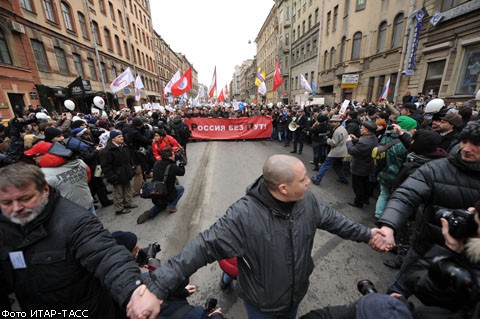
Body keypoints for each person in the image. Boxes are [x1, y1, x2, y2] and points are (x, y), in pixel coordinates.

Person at [126, 154, 387, 319]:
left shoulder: (308, 201)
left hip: (295, 296)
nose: (309, 182)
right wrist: (157, 289)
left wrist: (368, 234)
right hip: (262, 304)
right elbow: (200, 248)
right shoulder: (243, 215)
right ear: (283, 188)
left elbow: (336, 221)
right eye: (303, 179)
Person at [0, 163, 144, 318]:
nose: (16, 208)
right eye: (7, 203)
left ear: (45, 190)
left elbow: (106, 256)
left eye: (25, 198)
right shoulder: (5, 226)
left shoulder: (76, 221)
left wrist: (134, 291)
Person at [370, 120, 480, 298]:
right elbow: (405, 194)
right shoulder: (437, 168)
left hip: (472, 258)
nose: (467, 148)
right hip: (425, 246)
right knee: (397, 294)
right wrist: (388, 226)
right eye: (464, 141)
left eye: (476, 143)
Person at [136, 147, 186, 224]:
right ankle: (172, 206)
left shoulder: (157, 163)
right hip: (168, 192)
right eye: (173, 155)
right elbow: (181, 172)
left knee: (161, 204)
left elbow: (166, 166)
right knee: (181, 188)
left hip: (156, 192)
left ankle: (150, 213)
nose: (174, 156)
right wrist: (182, 163)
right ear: (169, 157)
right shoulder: (172, 167)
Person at [100, 130, 137, 215]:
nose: (122, 138)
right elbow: (106, 166)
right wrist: (112, 177)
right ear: (113, 139)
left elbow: (127, 159)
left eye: (121, 136)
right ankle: (119, 208)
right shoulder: (107, 151)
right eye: (119, 137)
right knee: (118, 192)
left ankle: (127, 203)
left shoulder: (123, 146)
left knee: (127, 189)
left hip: (125, 172)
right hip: (117, 175)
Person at [346, 121, 378, 209]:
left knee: (358, 186)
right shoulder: (373, 138)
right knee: (365, 184)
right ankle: (365, 199)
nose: (360, 129)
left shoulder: (364, 141)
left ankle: (358, 202)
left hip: (359, 167)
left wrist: (349, 141)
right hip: (367, 166)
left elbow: (352, 151)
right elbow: (362, 147)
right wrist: (355, 140)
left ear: (367, 131)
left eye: (362, 128)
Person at [311, 114, 349, 185]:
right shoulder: (342, 128)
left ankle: (317, 180)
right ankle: (343, 179)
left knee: (324, 165)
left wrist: (327, 139)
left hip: (336, 151)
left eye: (335, 122)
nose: (333, 123)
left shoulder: (337, 131)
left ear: (338, 122)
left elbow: (334, 143)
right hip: (342, 151)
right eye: (332, 122)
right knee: (336, 166)